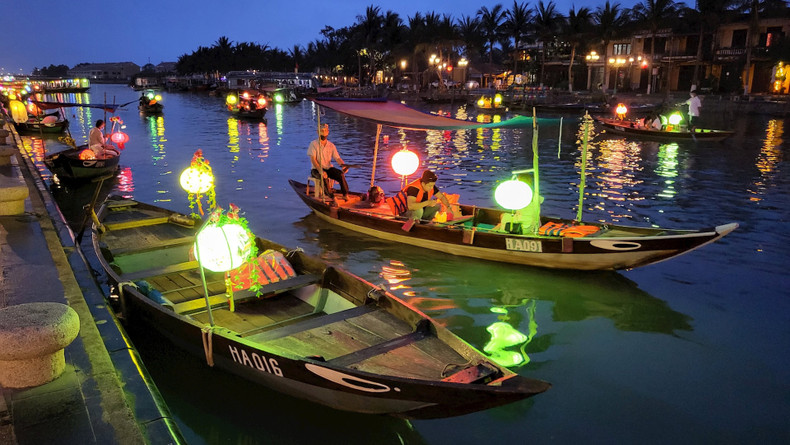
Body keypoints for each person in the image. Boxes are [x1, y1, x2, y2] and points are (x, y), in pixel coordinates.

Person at [390, 170, 455, 222]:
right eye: (430, 186)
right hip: (406, 214)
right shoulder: (414, 189)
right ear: (423, 183)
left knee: (437, 206)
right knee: (419, 210)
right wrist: (428, 203)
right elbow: (411, 206)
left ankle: (425, 222)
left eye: (433, 185)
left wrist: (448, 207)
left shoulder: (431, 187)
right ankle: (414, 226)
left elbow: (441, 197)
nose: (431, 187)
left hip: (420, 213)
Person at [307, 123, 349, 199]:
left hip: (328, 168)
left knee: (340, 174)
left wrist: (343, 165)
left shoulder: (331, 145)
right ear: (318, 132)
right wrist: (320, 171)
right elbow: (313, 159)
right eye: (322, 131)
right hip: (316, 169)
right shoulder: (313, 144)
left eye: (325, 131)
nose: (324, 133)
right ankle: (331, 196)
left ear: (328, 132)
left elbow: (337, 158)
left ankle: (345, 194)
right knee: (323, 177)